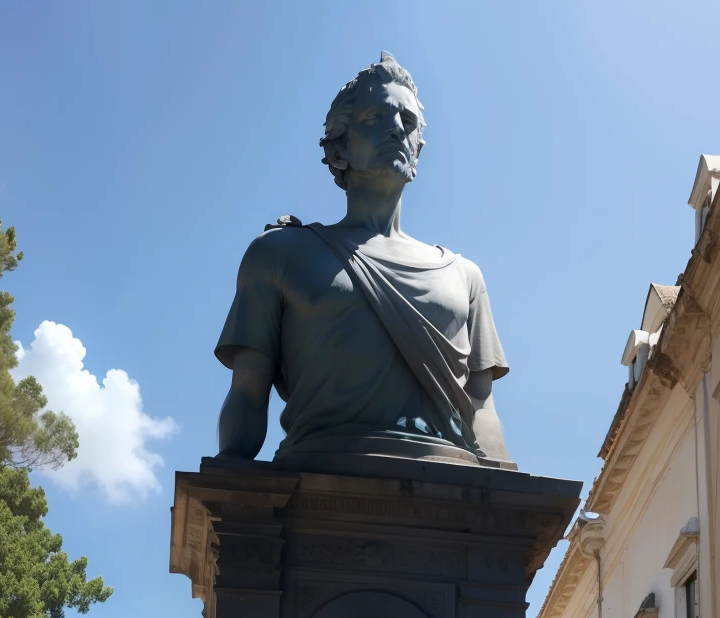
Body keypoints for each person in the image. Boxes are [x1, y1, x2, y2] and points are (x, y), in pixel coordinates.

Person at [214, 53, 511, 466]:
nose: (395, 129)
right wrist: (232, 482)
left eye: (408, 123)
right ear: (339, 151)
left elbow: (481, 405)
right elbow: (247, 392)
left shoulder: (465, 277)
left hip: (451, 499)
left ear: (417, 153)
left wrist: (502, 496)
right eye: (375, 118)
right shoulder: (279, 254)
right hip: (315, 482)